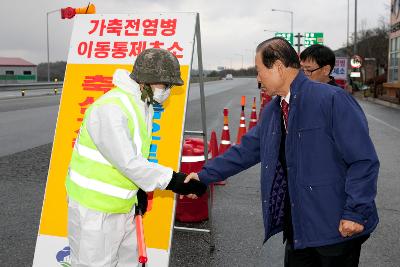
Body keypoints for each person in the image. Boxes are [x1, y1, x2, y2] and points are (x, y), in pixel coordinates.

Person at [185, 37, 379, 267]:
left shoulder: (332, 100)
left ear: (278, 67)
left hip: (336, 228)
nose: (258, 79)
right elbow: (246, 150)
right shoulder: (275, 110)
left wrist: (355, 212)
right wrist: (204, 176)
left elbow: (363, 160)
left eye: (259, 71)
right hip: (298, 228)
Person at [65, 48, 207, 267]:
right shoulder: (111, 109)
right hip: (94, 211)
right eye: (164, 84)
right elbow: (128, 161)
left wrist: (139, 192)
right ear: (145, 81)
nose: (168, 90)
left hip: (123, 206)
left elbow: (134, 158)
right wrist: (175, 181)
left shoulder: (142, 105)